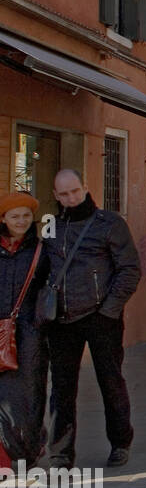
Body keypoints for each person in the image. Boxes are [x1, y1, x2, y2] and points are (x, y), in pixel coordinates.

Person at [44, 168, 141, 470]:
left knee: (110, 382)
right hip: (61, 320)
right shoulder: (50, 226)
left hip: (102, 317)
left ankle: (121, 442)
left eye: (75, 191)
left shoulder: (110, 224)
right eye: (64, 194)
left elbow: (129, 270)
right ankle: (61, 453)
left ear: (85, 187)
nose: (71, 198)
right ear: (56, 196)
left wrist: (109, 310)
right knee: (61, 388)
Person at [0, 192, 50, 468]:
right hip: (0, 334)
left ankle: (26, 452)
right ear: (3, 219)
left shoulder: (41, 251)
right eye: (14, 216)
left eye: (26, 216)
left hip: (30, 335)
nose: (21, 221)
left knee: (28, 395)